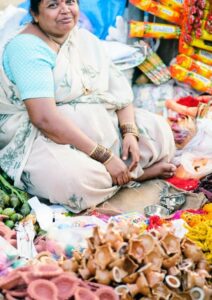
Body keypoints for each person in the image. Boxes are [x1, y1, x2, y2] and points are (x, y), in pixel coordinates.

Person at [0, 0, 176, 213]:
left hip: (99, 126)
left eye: (70, 2)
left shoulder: (83, 39)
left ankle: (120, 175)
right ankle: (136, 174)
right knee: (76, 181)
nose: (65, 10)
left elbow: (118, 92)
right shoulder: (26, 49)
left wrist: (129, 132)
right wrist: (105, 157)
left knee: (160, 131)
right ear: (35, 14)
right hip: (40, 136)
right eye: (53, 5)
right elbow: (44, 119)